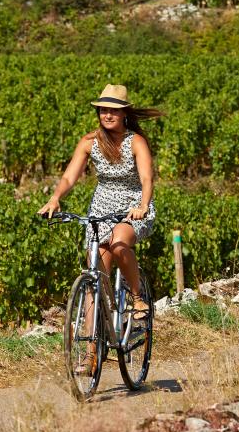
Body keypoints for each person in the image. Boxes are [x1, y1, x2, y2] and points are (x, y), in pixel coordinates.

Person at [39, 84, 162, 324]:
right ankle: (90, 354)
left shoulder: (136, 142)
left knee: (118, 244)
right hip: (101, 207)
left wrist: (143, 206)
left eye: (113, 111)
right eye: (103, 110)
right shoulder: (89, 142)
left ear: (125, 113)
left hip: (133, 205)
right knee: (95, 277)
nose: (107, 115)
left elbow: (147, 178)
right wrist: (55, 197)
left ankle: (137, 298)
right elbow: (68, 177)